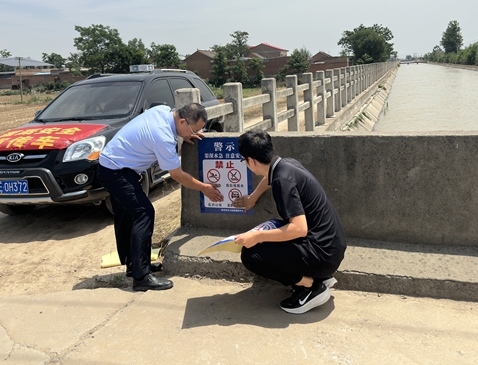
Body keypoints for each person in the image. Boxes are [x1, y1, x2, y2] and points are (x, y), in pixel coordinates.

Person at [98, 103, 223, 291]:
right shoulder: (162, 136)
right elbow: (178, 175)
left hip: (112, 164)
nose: (195, 133)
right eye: (194, 130)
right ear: (182, 121)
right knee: (144, 213)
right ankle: (141, 278)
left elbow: (171, 131)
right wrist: (204, 188)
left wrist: (185, 134)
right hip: (116, 171)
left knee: (127, 215)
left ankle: (134, 265)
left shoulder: (164, 111)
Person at [233, 129, 346, 314]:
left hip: (323, 256)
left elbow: (299, 229)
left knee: (251, 255)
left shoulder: (282, 181)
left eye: (243, 161)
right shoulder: (286, 165)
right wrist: (253, 198)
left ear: (251, 161)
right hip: (331, 246)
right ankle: (318, 276)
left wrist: (256, 237)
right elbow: (269, 179)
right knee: (273, 227)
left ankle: (311, 286)